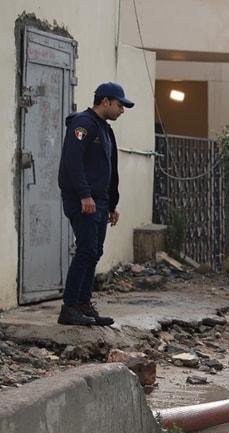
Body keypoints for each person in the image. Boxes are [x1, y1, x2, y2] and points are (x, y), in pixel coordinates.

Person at [57, 82, 134, 326]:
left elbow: (108, 170)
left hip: (99, 201)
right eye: (120, 105)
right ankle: (70, 306)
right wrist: (84, 195)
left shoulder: (104, 129)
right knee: (87, 249)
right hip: (83, 201)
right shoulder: (83, 124)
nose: (122, 110)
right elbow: (72, 161)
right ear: (106, 101)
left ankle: (82, 303)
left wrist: (111, 204)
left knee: (94, 251)